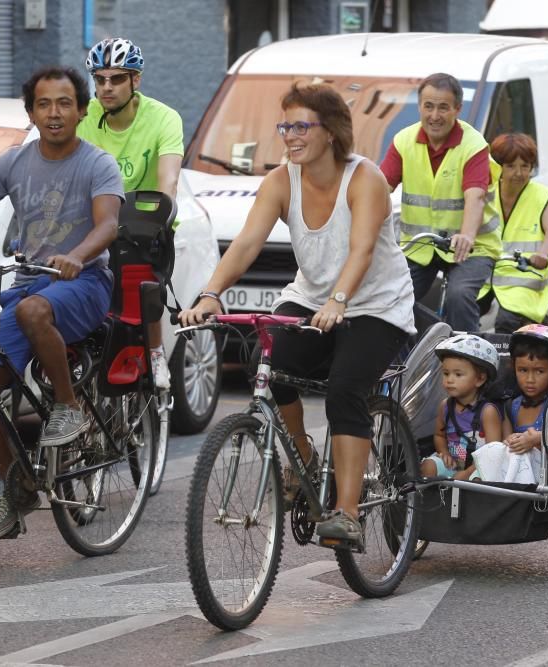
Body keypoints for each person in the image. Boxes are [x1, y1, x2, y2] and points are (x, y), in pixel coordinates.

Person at [178, 83, 415, 546]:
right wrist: (210, 294)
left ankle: (347, 513)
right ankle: (303, 456)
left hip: (375, 304)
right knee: (268, 363)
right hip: (312, 297)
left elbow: (363, 249)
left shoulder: (365, 179)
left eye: (301, 125)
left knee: (345, 389)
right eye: (285, 126)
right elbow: (247, 244)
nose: (290, 135)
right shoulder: (281, 181)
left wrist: (340, 301)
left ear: (330, 132)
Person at [0, 67, 123, 538]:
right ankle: (18, 485)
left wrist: (76, 255)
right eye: (45, 104)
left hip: (84, 282)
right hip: (31, 280)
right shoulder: (14, 162)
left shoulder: (97, 164)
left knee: (34, 313)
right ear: (31, 112)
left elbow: (108, 224)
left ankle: (68, 407)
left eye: (65, 103)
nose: (55, 113)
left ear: (82, 110)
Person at [79, 37, 183, 390]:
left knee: (142, 280)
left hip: (145, 223)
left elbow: (168, 179)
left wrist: (160, 217)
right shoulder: (84, 115)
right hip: (95, 223)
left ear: (135, 80)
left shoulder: (163, 118)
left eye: (117, 79)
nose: (106, 87)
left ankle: (155, 352)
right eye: (100, 79)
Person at [380, 72, 501, 332]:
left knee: (459, 295)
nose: (434, 115)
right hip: (422, 245)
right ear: (420, 107)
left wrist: (467, 235)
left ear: (458, 109)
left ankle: (469, 357)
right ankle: (415, 351)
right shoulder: (404, 141)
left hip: (473, 246)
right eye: (428, 106)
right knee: (391, 296)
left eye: (443, 107)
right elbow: (379, 189)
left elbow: (476, 196)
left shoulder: (473, 145)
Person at [472, 324, 548, 484]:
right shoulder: (511, 406)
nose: (530, 379)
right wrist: (510, 441)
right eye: (523, 370)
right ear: (514, 368)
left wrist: (536, 439)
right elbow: (507, 440)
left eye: (539, 371)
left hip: (546, 471)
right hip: (516, 472)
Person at [484, 133, 548, 333]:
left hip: (523, 274)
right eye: (510, 166)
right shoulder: (485, 192)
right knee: (460, 307)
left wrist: (543, 254)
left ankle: (509, 364)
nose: (518, 173)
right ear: (498, 166)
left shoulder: (541, 195)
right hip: (486, 272)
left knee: (507, 321)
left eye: (525, 166)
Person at [420, 334, 503, 480]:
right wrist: (444, 452)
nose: (449, 380)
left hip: (478, 468)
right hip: (454, 465)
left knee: (479, 479)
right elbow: (439, 435)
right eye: (446, 373)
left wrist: (467, 473)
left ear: (480, 379)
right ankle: (431, 501)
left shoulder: (487, 412)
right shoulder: (445, 406)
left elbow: (493, 453)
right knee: (428, 466)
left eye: (458, 374)